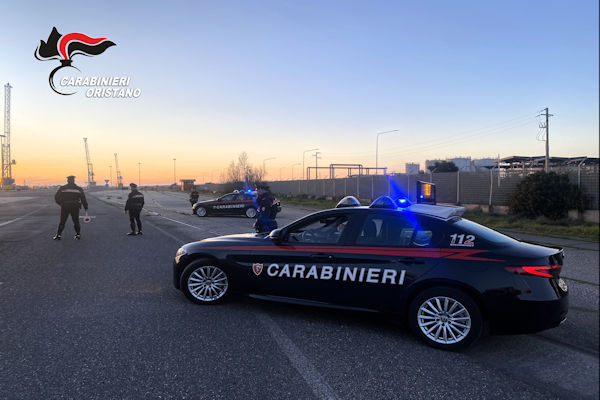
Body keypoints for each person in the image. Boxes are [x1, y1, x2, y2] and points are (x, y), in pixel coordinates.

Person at [53, 175, 88, 240]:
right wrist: (85, 207)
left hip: (65, 207)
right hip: (75, 207)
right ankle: (78, 235)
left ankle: (58, 235)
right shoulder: (78, 189)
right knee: (76, 221)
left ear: (67, 180)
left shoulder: (63, 188)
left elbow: (56, 197)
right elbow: (83, 198)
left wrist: (61, 204)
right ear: (74, 180)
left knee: (62, 221)